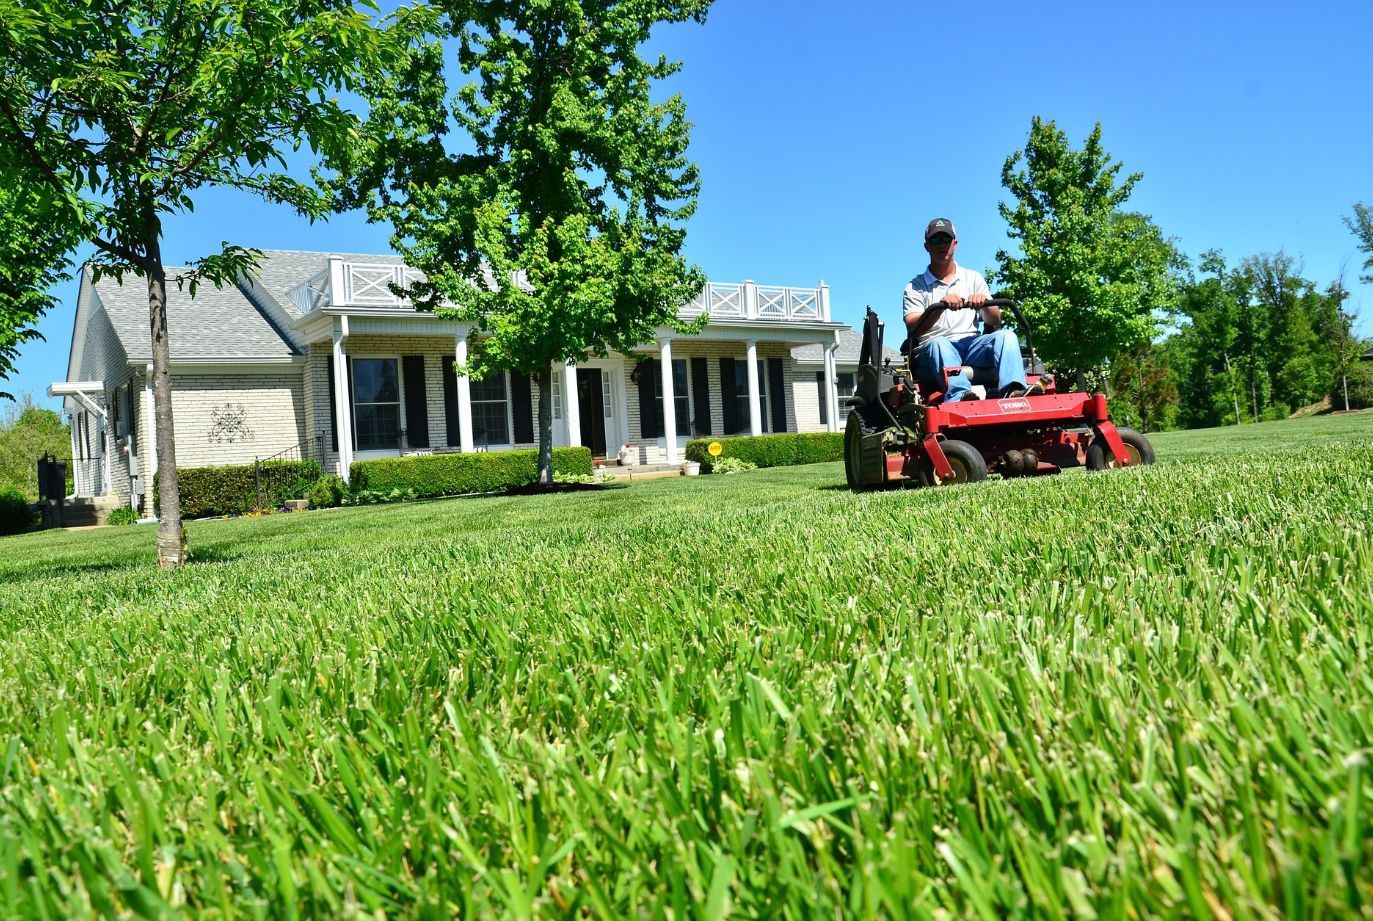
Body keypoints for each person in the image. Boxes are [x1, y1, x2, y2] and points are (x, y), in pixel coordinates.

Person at [902, 217, 1042, 402]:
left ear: (955, 243)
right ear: (927, 246)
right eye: (935, 240)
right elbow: (913, 326)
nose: (941, 245)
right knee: (939, 344)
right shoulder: (915, 286)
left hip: (972, 345)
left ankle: (1014, 391)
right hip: (933, 351)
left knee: (1007, 336)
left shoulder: (973, 278)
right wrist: (940, 308)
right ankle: (961, 396)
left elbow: (995, 320)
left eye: (946, 239)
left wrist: (985, 304)